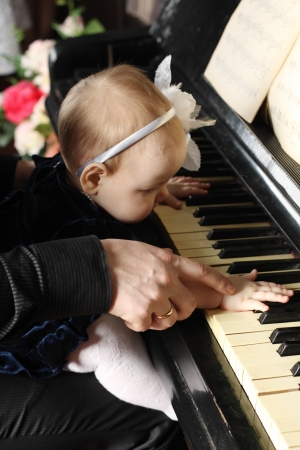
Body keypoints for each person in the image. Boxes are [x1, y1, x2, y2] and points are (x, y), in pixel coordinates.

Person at [0, 57, 293, 425]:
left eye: (162, 182)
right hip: (31, 322)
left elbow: (128, 174)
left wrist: (158, 186)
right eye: (149, 187)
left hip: (24, 268)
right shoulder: (79, 227)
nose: (159, 194)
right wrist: (225, 292)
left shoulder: (63, 173)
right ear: (94, 179)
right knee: (110, 345)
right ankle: (174, 409)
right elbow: (166, 281)